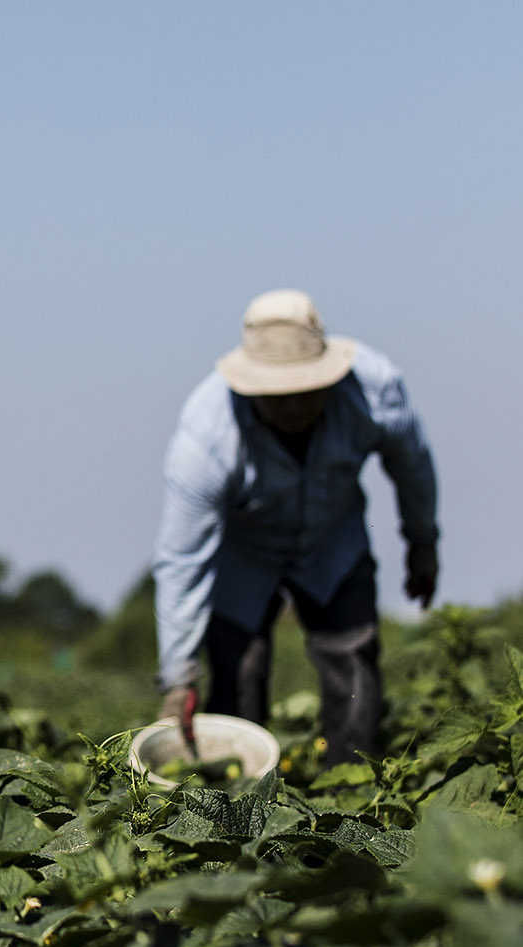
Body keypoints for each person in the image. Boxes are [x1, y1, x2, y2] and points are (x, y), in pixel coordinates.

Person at [152, 289, 438, 765]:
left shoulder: (374, 391)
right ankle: (234, 806)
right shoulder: (205, 437)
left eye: (305, 392)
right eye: (276, 397)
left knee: (352, 660)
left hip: (334, 540)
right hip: (246, 554)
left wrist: (422, 541)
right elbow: (181, 560)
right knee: (238, 671)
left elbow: (413, 465)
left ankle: (353, 795)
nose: (292, 408)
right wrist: (178, 678)